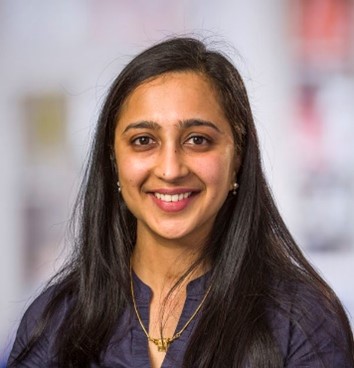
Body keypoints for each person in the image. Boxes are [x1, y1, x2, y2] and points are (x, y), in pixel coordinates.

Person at [8, 37, 354, 368]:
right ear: (113, 160)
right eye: (143, 140)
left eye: (198, 140)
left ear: (238, 156)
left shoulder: (302, 321)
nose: (171, 170)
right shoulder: (54, 323)